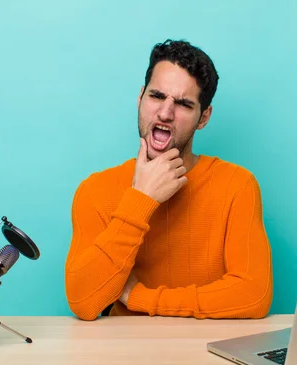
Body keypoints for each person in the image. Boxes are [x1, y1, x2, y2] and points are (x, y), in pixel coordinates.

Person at [65, 39, 273, 320]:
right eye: (156, 96)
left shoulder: (237, 185)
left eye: (184, 104)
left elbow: (253, 295)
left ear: (203, 118)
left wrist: (139, 297)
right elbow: (82, 301)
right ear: (140, 98)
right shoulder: (95, 191)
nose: (165, 113)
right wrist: (141, 200)